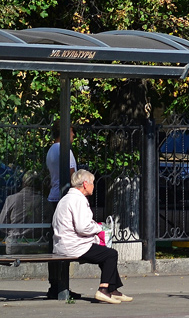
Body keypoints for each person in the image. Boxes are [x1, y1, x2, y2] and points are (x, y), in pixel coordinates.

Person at [52, 169, 131, 304]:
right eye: (92, 183)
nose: (94, 186)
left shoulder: (66, 198)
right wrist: (99, 227)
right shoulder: (79, 200)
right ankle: (103, 290)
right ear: (85, 184)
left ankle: (113, 289)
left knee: (104, 254)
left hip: (64, 244)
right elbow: (82, 227)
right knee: (110, 254)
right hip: (74, 246)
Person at [45, 124, 77, 300]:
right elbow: (72, 176)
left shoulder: (51, 150)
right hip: (62, 199)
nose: (73, 135)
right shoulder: (65, 151)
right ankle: (62, 285)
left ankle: (54, 283)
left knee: (54, 244)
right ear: (64, 133)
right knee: (64, 243)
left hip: (53, 197)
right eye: (72, 131)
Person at [0, 173, 51, 255]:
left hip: (15, 246)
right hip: (39, 246)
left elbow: (2, 224)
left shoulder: (11, 199)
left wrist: (14, 232)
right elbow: (50, 225)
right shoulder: (44, 202)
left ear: (23, 183)